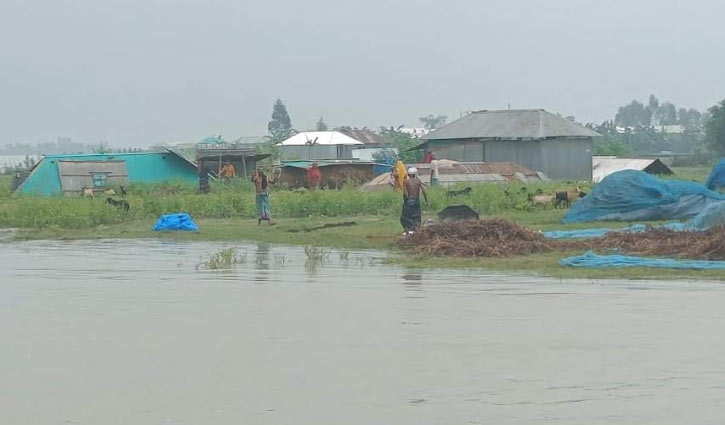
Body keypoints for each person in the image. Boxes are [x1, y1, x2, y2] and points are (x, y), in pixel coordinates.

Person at [400, 167, 428, 235]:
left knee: (405, 216)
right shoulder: (418, 181)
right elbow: (423, 191)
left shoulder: (405, 181)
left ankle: (408, 230)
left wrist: (406, 201)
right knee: (417, 216)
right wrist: (426, 201)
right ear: (415, 174)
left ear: (408, 174)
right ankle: (417, 229)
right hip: (416, 200)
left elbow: (405, 192)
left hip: (409, 200)